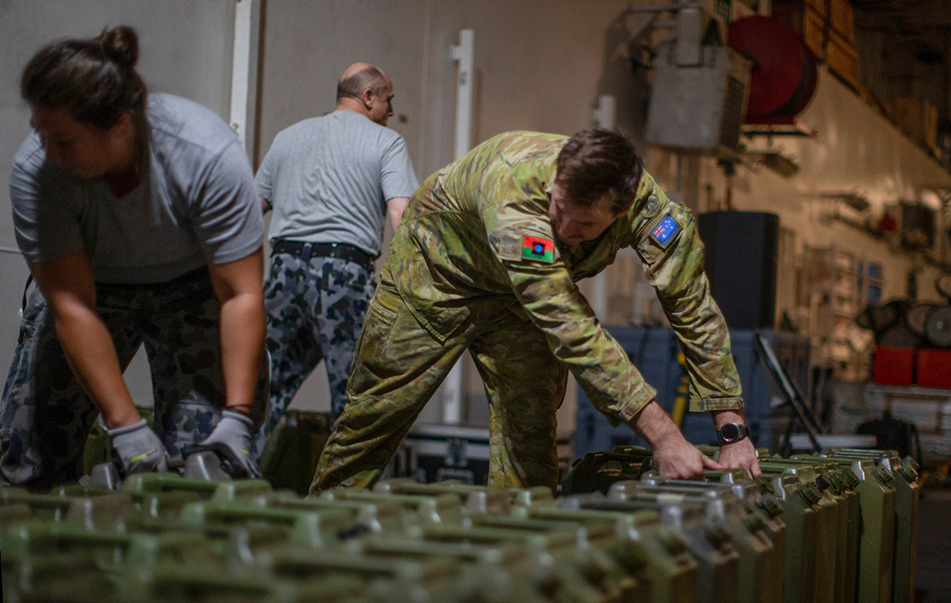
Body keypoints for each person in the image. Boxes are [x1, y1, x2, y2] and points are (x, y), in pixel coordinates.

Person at [310, 129, 761, 494]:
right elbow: (572, 329)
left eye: (583, 225)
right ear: (557, 178)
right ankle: (319, 541)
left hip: (518, 304)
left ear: (622, 211)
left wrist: (732, 431)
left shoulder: (649, 210)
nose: (564, 229)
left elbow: (694, 310)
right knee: (373, 420)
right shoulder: (514, 199)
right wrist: (664, 436)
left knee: (529, 441)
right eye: (558, 208)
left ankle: (516, 559)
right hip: (435, 278)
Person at [0, 26, 267, 488]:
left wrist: (238, 419)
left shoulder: (205, 155)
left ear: (119, 125)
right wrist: (125, 426)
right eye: (40, 132)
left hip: (194, 288)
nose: (46, 149)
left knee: (206, 466)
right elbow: (73, 307)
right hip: (92, 290)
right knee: (29, 454)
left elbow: (241, 295)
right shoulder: (38, 173)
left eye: (63, 139)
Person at [256, 62, 418, 433]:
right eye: (388, 101)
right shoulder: (386, 142)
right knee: (356, 397)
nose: (391, 111)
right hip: (343, 274)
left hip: (283, 273)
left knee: (263, 391)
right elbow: (401, 215)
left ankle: (231, 480)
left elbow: (250, 211)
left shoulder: (287, 137)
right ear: (368, 97)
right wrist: (412, 289)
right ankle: (345, 489)